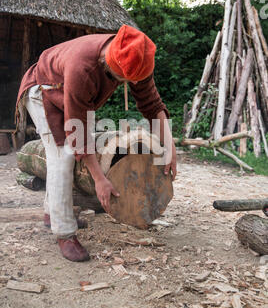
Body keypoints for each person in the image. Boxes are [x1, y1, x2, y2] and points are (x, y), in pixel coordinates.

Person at [16, 24, 177, 262]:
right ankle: (64, 233)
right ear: (108, 60)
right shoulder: (82, 67)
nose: (123, 84)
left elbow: (152, 105)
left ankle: (54, 214)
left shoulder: (139, 57)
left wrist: (170, 150)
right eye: (119, 78)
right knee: (63, 154)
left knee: (71, 149)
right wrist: (100, 179)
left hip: (68, 92)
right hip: (44, 90)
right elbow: (77, 134)